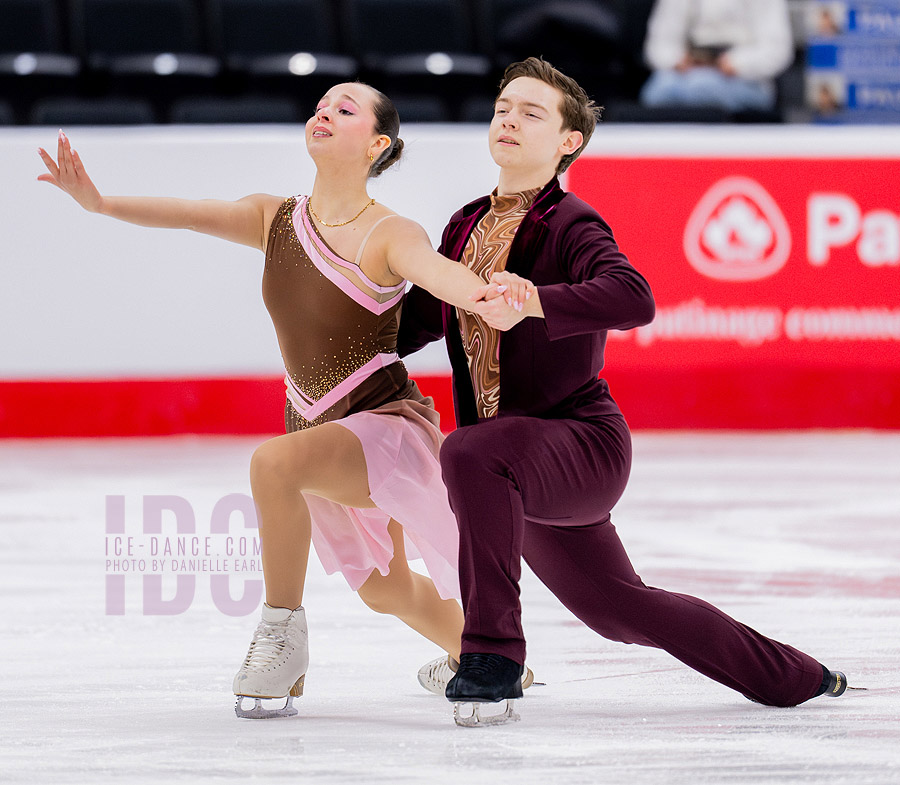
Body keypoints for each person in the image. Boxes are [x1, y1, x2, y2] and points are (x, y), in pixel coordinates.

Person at [36, 82, 530, 720]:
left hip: (382, 427)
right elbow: (189, 212)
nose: (324, 113)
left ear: (378, 144)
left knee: (274, 465)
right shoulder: (275, 219)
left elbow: (441, 277)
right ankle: (491, 657)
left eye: (345, 110)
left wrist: (491, 297)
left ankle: (280, 638)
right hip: (315, 426)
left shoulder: (390, 232)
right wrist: (99, 203)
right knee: (386, 590)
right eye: (322, 106)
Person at [398, 57, 849, 727]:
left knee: (468, 452)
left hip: (581, 444)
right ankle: (799, 675)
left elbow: (634, 297)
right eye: (503, 108)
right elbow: (413, 322)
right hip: (515, 462)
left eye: (532, 113)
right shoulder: (464, 227)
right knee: (621, 610)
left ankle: (492, 656)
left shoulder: (571, 223)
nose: (509, 120)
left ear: (567, 142)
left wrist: (535, 302)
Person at [639, 0, 794, 113]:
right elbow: (658, 45)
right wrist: (677, 60)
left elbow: (777, 50)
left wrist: (736, 63)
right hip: (687, 75)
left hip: (744, 79)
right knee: (658, 91)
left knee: (702, 88)